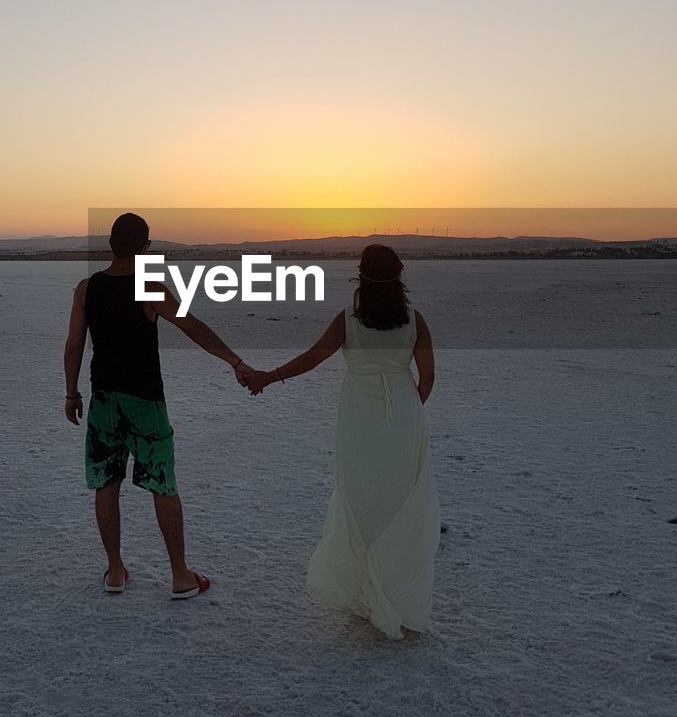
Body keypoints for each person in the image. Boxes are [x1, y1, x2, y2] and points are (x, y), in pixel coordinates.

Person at [243, 244, 439, 640]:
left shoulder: (348, 320)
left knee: (360, 501)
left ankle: (366, 586)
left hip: (358, 421)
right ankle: (393, 588)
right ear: (399, 276)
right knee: (399, 502)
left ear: (360, 277)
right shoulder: (415, 320)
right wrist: (406, 414)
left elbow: (313, 358)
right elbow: (428, 376)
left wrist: (268, 376)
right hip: (403, 418)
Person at [63, 213, 252, 599]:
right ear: (145, 247)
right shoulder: (148, 287)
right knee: (163, 486)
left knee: (107, 483)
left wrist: (71, 392)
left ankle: (115, 571)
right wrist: (235, 361)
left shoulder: (86, 288)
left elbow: (74, 345)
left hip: (103, 400)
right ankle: (180, 576)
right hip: (145, 402)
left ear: (110, 244)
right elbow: (193, 327)